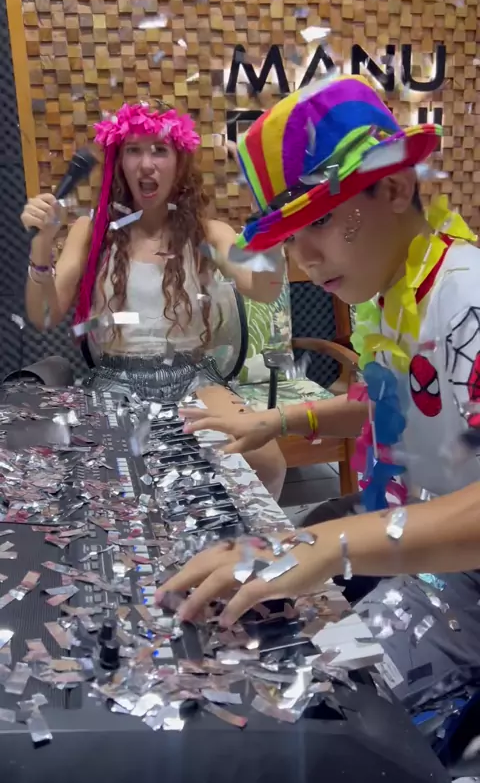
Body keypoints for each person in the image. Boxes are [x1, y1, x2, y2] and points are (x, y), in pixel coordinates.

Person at [156, 74, 480, 712]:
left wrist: (329, 545)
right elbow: (401, 407)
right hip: (423, 559)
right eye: (289, 236)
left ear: (394, 188)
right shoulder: (395, 291)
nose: (302, 256)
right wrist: (276, 423)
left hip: (460, 591)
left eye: (322, 221)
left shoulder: (467, 299)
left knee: (311, 707)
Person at [20, 100, 286, 498]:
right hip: (116, 380)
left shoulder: (209, 233)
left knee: (267, 461)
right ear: (119, 162)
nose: (146, 164)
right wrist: (42, 243)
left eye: (160, 150)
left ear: (179, 164)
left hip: (194, 376)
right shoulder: (90, 231)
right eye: (134, 150)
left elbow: (263, 288)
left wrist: (270, 223)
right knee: (112, 479)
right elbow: (44, 315)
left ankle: (239, 537)